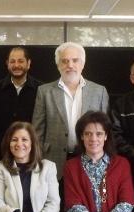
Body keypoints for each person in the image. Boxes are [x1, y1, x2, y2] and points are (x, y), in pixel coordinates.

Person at [32, 42, 109, 179]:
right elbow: (37, 131)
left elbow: (106, 130)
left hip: (90, 158)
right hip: (53, 160)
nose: (70, 65)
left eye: (75, 60)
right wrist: (38, 161)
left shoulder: (99, 91)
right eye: (65, 61)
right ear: (58, 65)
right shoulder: (44, 91)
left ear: (83, 64)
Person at [61, 111, 134, 212]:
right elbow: (73, 206)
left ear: (106, 136)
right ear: (81, 137)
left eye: (99, 134)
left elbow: (127, 203)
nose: (93, 139)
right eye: (88, 134)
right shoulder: (70, 166)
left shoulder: (122, 164)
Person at [0, 47, 42, 162]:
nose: (16, 65)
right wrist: (7, 145)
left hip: (32, 154)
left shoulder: (41, 90)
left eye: (20, 61)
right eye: (12, 61)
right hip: (1, 154)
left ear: (28, 63)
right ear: (7, 64)